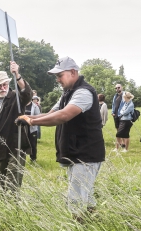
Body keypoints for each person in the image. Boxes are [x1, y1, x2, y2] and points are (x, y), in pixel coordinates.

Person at [16, 56, 105, 219]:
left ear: (73, 72)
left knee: (76, 200)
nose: (57, 79)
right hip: (77, 153)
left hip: (86, 154)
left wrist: (31, 121)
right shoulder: (67, 93)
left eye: (59, 75)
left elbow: (63, 116)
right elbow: (52, 113)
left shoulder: (83, 92)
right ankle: (94, 226)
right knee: (86, 195)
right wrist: (27, 117)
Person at [0, 61, 32, 193]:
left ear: (8, 84)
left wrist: (17, 75)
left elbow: (27, 94)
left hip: (16, 145)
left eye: (4, 84)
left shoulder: (16, 97)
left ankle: (13, 208)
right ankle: (5, 210)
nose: (2, 88)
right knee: (1, 181)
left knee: (12, 184)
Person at [25, 97, 41, 161]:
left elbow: (38, 117)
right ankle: (21, 158)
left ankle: (33, 158)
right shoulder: (21, 105)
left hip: (32, 128)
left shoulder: (35, 106)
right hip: (22, 129)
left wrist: (29, 119)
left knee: (33, 144)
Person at [111, 84, 125, 149]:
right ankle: (120, 143)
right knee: (117, 129)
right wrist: (113, 112)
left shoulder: (125, 95)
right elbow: (113, 105)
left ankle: (124, 143)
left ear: (122, 87)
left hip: (122, 115)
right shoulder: (115, 96)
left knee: (122, 130)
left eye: (118, 87)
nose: (117, 89)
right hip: (116, 115)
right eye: (116, 88)